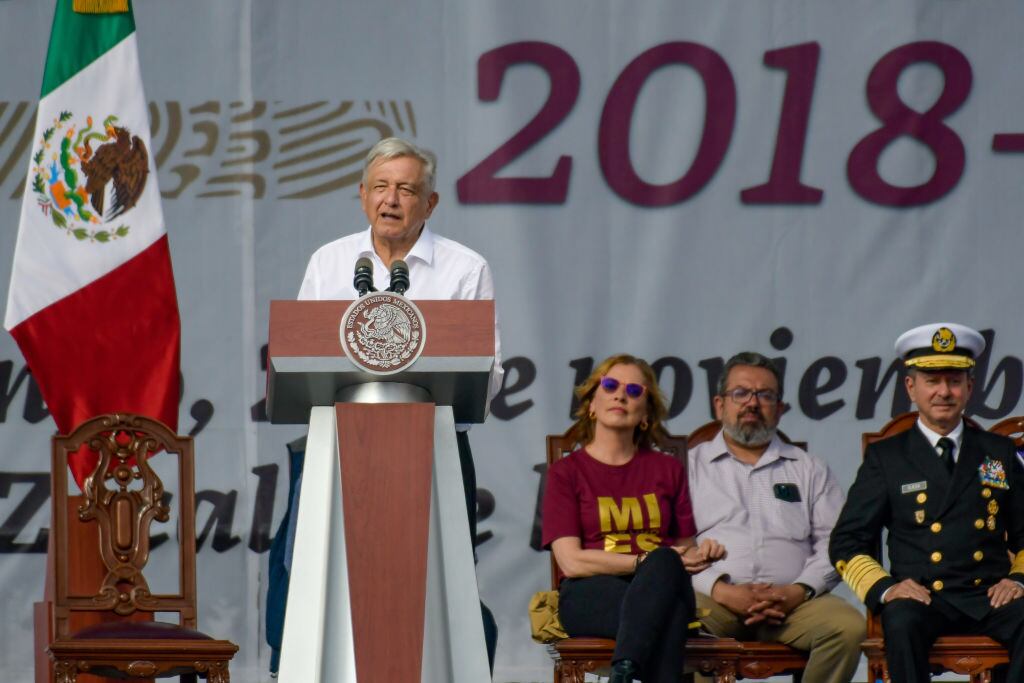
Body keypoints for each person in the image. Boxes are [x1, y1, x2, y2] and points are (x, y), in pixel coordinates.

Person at [268, 137, 504, 672]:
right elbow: (301, 351)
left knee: (441, 579)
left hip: (437, 447)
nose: (391, 199)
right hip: (337, 446)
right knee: (312, 572)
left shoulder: (465, 268)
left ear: (431, 203)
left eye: (406, 188)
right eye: (381, 187)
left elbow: (488, 372)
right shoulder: (330, 262)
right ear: (361, 196)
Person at [830, 323, 1024, 682]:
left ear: (969, 387)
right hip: (923, 599)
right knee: (900, 620)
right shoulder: (886, 457)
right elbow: (847, 541)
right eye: (932, 381)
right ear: (911, 387)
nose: (943, 392)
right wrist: (887, 588)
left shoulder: (998, 452)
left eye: (954, 380)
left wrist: (1018, 580)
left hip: (989, 595)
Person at [542, 354, 725, 683]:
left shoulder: (667, 469)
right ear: (592, 404)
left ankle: (623, 672)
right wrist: (643, 561)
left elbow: (688, 553)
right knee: (667, 606)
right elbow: (571, 561)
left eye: (634, 391)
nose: (620, 395)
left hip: (664, 582)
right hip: (589, 593)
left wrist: (707, 552)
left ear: (646, 413)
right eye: (610, 385)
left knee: (666, 566)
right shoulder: (565, 472)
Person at [687, 352, 864, 683]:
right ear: (719, 405)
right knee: (680, 627)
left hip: (794, 605)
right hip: (714, 600)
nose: (752, 403)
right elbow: (675, 546)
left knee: (849, 627)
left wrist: (798, 590)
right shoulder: (686, 468)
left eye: (765, 395)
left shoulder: (809, 469)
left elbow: (836, 542)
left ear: (780, 409)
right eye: (740, 393)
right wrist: (722, 591)